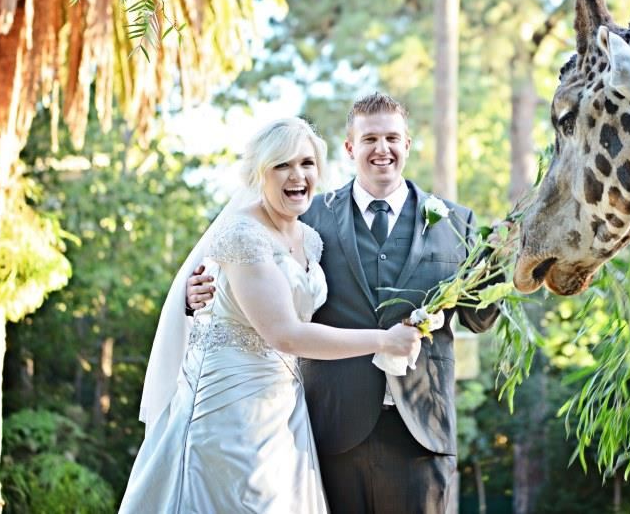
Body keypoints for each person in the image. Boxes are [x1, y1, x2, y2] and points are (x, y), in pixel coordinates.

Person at [187, 94, 499, 513]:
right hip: (328, 429)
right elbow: (250, 276)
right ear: (351, 148)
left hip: (422, 432)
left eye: (392, 138)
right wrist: (198, 295)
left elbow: (479, 319)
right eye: (370, 138)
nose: (382, 149)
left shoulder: (456, 223)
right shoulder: (304, 217)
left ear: (408, 144)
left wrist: (500, 266)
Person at [120, 117, 422, 513]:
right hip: (229, 408)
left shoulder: (310, 237)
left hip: (284, 409)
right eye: (281, 165)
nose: (296, 175)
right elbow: (286, 333)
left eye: (306, 163)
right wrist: (383, 340)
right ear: (258, 174)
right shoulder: (243, 234)